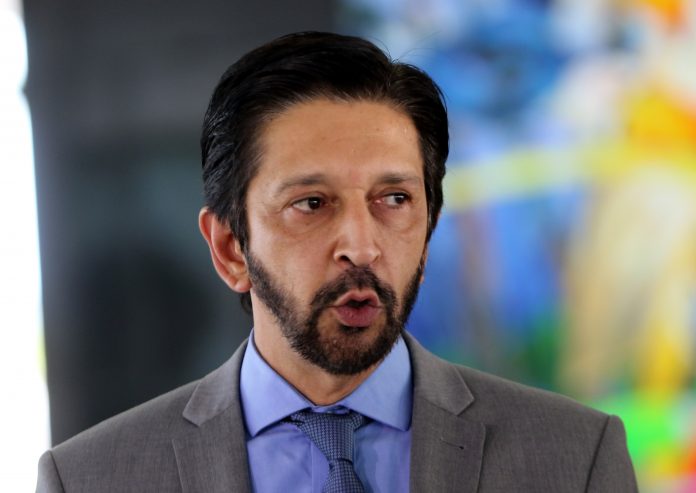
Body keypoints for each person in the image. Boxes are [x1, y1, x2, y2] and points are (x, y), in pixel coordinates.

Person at [36, 31, 638, 492]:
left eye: (394, 199)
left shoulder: (575, 458)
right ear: (229, 248)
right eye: (312, 204)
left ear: (429, 230)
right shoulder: (91, 479)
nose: (362, 245)